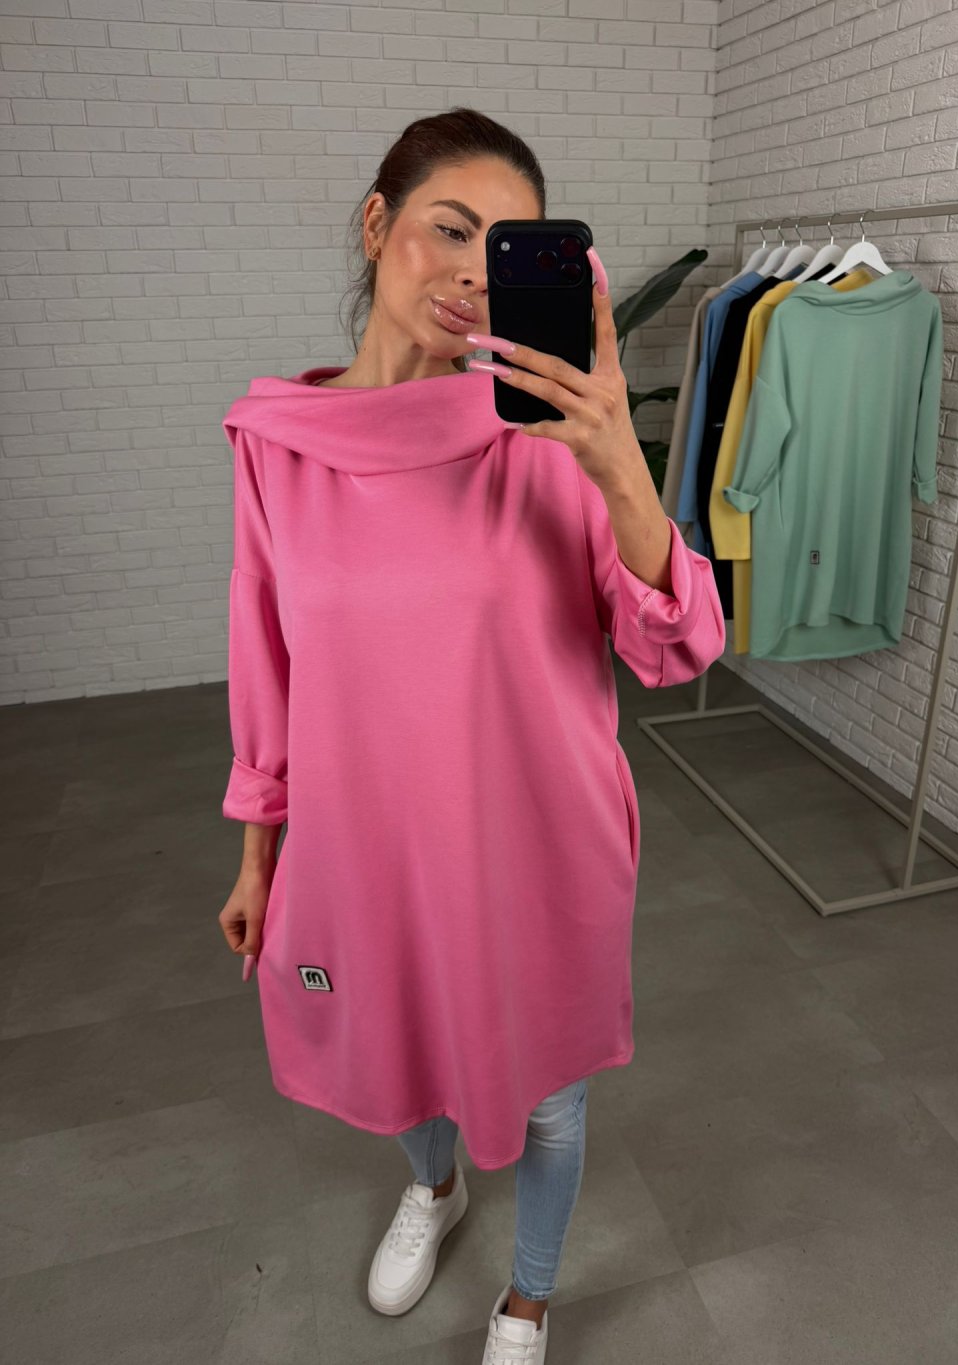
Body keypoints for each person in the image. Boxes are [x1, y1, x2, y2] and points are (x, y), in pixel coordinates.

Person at [217, 107, 726, 1364]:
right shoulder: (277, 446)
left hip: (535, 840)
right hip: (364, 840)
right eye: (451, 230)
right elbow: (266, 657)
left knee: (546, 1097)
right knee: (393, 1051)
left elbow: (676, 645)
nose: (471, 274)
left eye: (505, 251)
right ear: (376, 223)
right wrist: (258, 850)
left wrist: (616, 460)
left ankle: (528, 1300)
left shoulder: (548, 437)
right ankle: (435, 1190)